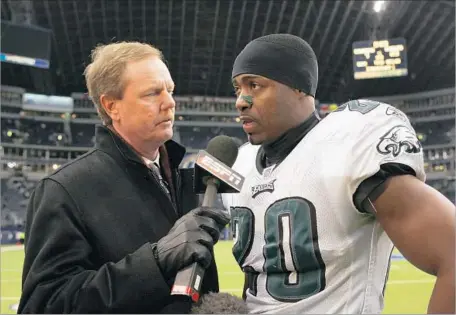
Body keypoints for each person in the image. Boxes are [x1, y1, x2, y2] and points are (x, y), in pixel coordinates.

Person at [222, 34, 455, 314]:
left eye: (255, 85)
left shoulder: (347, 143)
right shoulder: (240, 164)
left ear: (300, 88)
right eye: (237, 88)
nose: (241, 101)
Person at [18, 41, 229, 314]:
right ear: (111, 106)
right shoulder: (63, 190)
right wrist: (155, 261)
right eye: (153, 93)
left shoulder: (181, 178)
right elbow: (45, 305)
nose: (170, 102)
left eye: (170, 90)